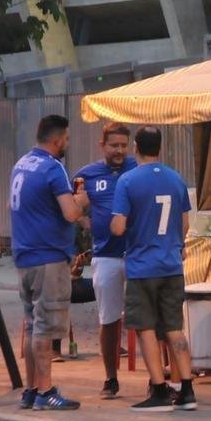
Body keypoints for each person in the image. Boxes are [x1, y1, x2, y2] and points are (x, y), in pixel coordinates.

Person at [110, 126, 197, 412]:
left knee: (145, 328)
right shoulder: (176, 179)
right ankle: (186, 389)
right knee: (174, 327)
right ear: (160, 147)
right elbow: (184, 225)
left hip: (142, 266)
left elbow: (119, 226)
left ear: (136, 146)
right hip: (171, 264)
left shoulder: (127, 180)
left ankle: (159, 389)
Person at [10, 114, 90, 411]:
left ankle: (31, 390)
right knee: (44, 327)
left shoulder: (22, 164)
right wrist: (81, 198)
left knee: (32, 325)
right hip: (48, 258)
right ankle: (46, 392)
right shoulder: (52, 168)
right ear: (57, 140)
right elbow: (70, 213)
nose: (67, 144)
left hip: (25, 256)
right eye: (67, 139)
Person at [73, 121, 139, 399]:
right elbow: (71, 208)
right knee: (109, 320)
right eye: (114, 145)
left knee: (146, 320)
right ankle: (111, 379)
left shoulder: (138, 169)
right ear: (102, 145)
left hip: (138, 254)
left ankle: (158, 379)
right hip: (106, 257)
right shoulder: (86, 175)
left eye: (124, 145)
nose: (119, 150)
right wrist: (86, 219)